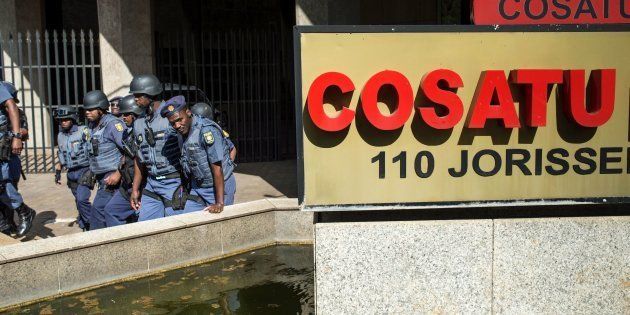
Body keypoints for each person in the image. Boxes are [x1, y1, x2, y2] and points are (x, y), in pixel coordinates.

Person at [162, 96, 236, 213]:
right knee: (189, 219)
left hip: (218, 187)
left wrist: (220, 203)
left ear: (188, 112)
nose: (177, 125)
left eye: (179, 120)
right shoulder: (181, 131)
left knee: (219, 226)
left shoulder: (207, 131)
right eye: (173, 123)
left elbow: (217, 168)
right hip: (198, 187)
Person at [129, 74, 184, 220]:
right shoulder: (139, 123)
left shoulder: (171, 117)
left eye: (139, 95)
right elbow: (139, 158)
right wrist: (135, 189)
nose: (135, 99)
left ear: (151, 94)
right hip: (152, 184)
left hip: (174, 182)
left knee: (176, 227)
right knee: (145, 227)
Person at [83, 90, 126, 229]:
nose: (87, 112)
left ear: (101, 109)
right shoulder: (92, 126)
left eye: (91, 109)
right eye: (86, 110)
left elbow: (130, 151)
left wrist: (118, 173)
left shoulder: (113, 125)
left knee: (99, 212)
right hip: (102, 178)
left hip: (114, 178)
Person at [0, 81, 34, 236]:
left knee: (4, 186)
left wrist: (16, 135)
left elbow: (24, 131)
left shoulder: (16, 112)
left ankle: (19, 214)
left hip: (9, 155)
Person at [104, 95, 143, 226]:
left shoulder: (143, 132)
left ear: (135, 114)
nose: (123, 118)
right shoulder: (127, 133)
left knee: (141, 219)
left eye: (126, 114)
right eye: (122, 114)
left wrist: (136, 188)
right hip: (127, 184)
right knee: (110, 210)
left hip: (141, 186)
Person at [54, 105, 94, 231]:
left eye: (66, 119)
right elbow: (61, 154)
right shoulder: (60, 135)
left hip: (85, 170)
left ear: (73, 118)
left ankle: (93, 224)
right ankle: (84, 225)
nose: (63, 122)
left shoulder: (84, 131)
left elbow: (93, 150)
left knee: (82, 200)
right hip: (71, 173)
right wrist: (58, 172)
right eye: (61, 120)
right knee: (78, 202)